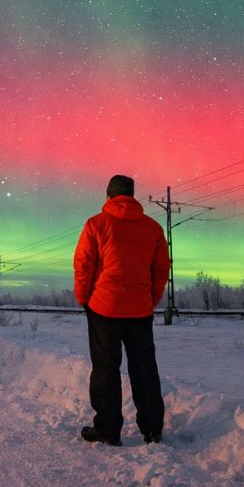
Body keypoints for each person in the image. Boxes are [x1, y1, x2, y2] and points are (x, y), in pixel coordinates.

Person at [73, 174, 170, 446]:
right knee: (144, 368)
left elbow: (84, 265)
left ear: (109, 195)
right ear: (132, 195)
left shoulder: (96, 224)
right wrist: (150, 298)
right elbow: (161, 268)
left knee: (105, 368)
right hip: (139, 309)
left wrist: (84, 297)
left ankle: (108, 429)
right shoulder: (152, 228)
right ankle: (152, 429)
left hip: (104, 307)